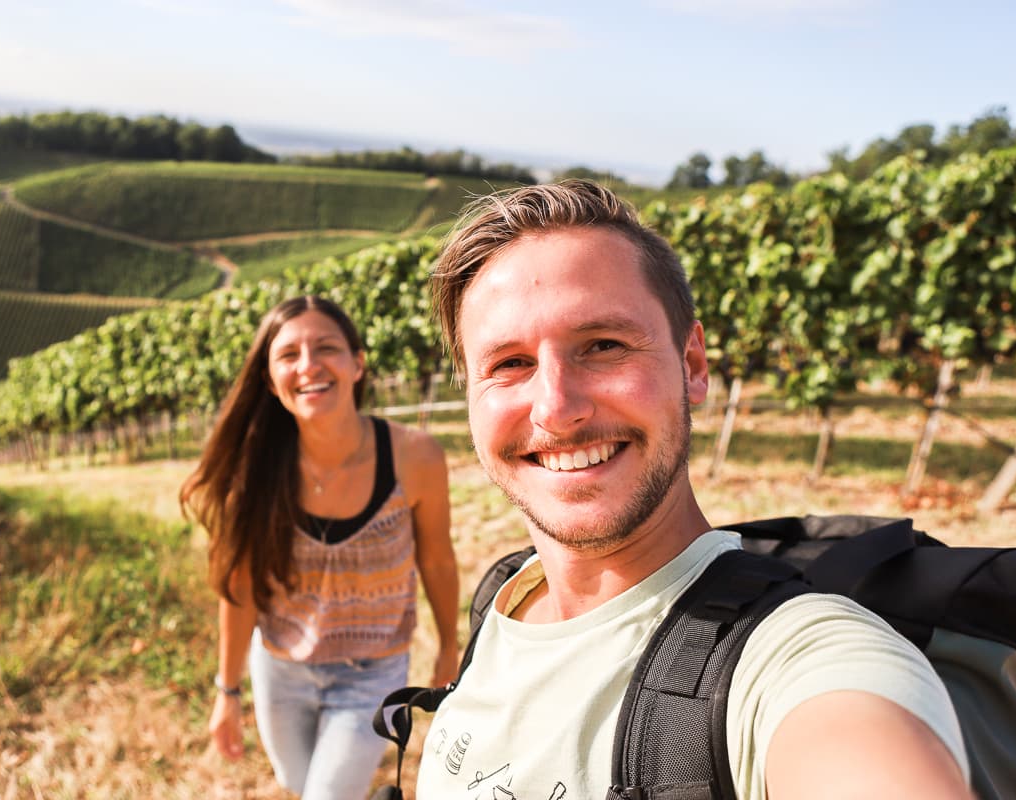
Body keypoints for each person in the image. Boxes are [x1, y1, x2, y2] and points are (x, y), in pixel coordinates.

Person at [415, 180, 972, 799]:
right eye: (509, 364)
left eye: (604, 346)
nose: (556, 407)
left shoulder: (789, 660)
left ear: (693, 366)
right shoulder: (507, 597)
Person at [180, 295, 459, 800]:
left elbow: (437, 559)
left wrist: (447, 646)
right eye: (288, 354)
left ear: (357, 364)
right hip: (280, 670)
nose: (308, 365)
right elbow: (240, 588)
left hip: (371, 675)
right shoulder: (255, 471)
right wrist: (228, 692)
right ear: (271, 381)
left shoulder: (415, 457)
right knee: (297, 783)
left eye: (326, 347)